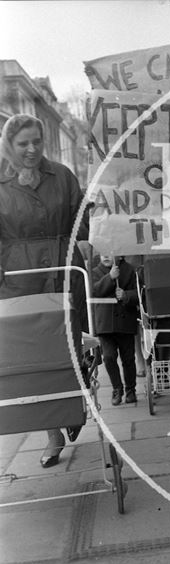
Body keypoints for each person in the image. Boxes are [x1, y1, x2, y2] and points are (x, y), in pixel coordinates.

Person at [0, 114, 88, 468]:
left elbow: (80, 217)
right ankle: (51, 434)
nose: (32, 149)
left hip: (63, 269)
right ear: (9, 146)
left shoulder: (62, 176)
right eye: (23, 144)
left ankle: (71, 407)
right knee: (34, 358)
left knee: (69, 344)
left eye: (37, 141)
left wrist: (86, 247)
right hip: (19, 278)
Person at [92, 255, 139, 405]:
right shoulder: (94, 271)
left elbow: (139, 293)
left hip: (125, 322)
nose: (105, 256)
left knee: (128, 358)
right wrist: (110, 277)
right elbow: (94, 291)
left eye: (109, 252)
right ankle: (117, 388)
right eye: (102, 253)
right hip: (105, 325)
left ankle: (131, 390)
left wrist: (127, 295)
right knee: (109, 357)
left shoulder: (129, 270)